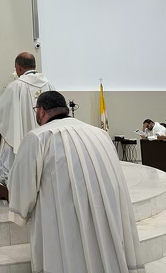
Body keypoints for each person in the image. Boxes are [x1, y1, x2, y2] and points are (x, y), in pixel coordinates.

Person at [8, 91, 144, 273]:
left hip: (65, 222)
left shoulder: (38, 137)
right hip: (106, 216)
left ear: (41, 111)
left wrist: (20, 212)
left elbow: (23, 185)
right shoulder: (100, 134)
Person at [0, 52, 54, 186]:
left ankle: (18, 185)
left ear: (18, 67)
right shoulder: (48, 84)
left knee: (11, 142)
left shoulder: (16, 86)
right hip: (47, 138)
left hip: (22, 139)